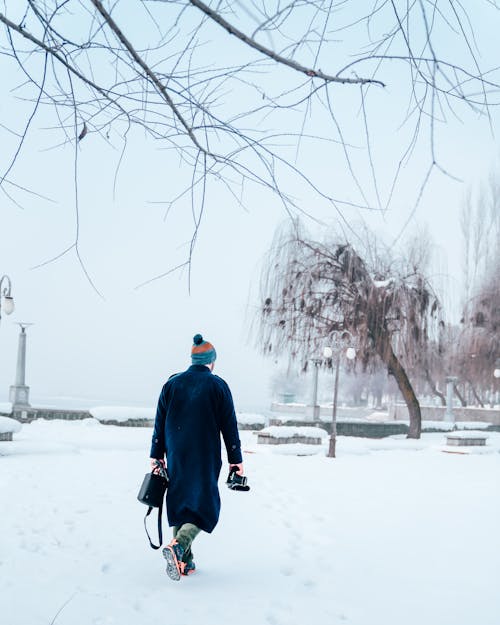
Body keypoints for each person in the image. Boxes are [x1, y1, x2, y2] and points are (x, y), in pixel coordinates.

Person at [149, 333, 244, 580]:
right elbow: (229, 426)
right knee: (206, 507)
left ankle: (185, 562)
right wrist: (236, 460)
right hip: (205, 453)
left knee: (181, 502)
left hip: (176, 452)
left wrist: (156, 454)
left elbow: (159, 422)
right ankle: (179, 545)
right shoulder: (218, 385)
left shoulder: (172, 384)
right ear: (211, 361)